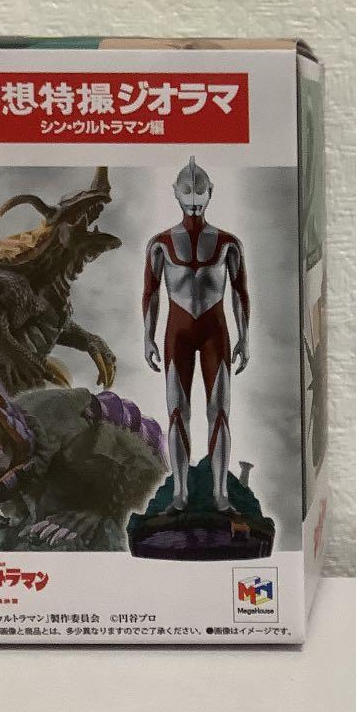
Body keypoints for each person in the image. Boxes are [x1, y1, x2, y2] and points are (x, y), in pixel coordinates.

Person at [143, 157, 250, 512]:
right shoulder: (160, 244)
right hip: (178, 334)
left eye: (199, 191)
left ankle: (220, 494)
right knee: (177, 411)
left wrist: (244, 337)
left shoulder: (228, 243)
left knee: (219, 411)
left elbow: (240, 292)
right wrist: (147, 337)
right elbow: (151, 293)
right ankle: (180, 493)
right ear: (175, 192)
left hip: (214, 331)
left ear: (211, 192)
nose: (193, 199)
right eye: (187, 191)